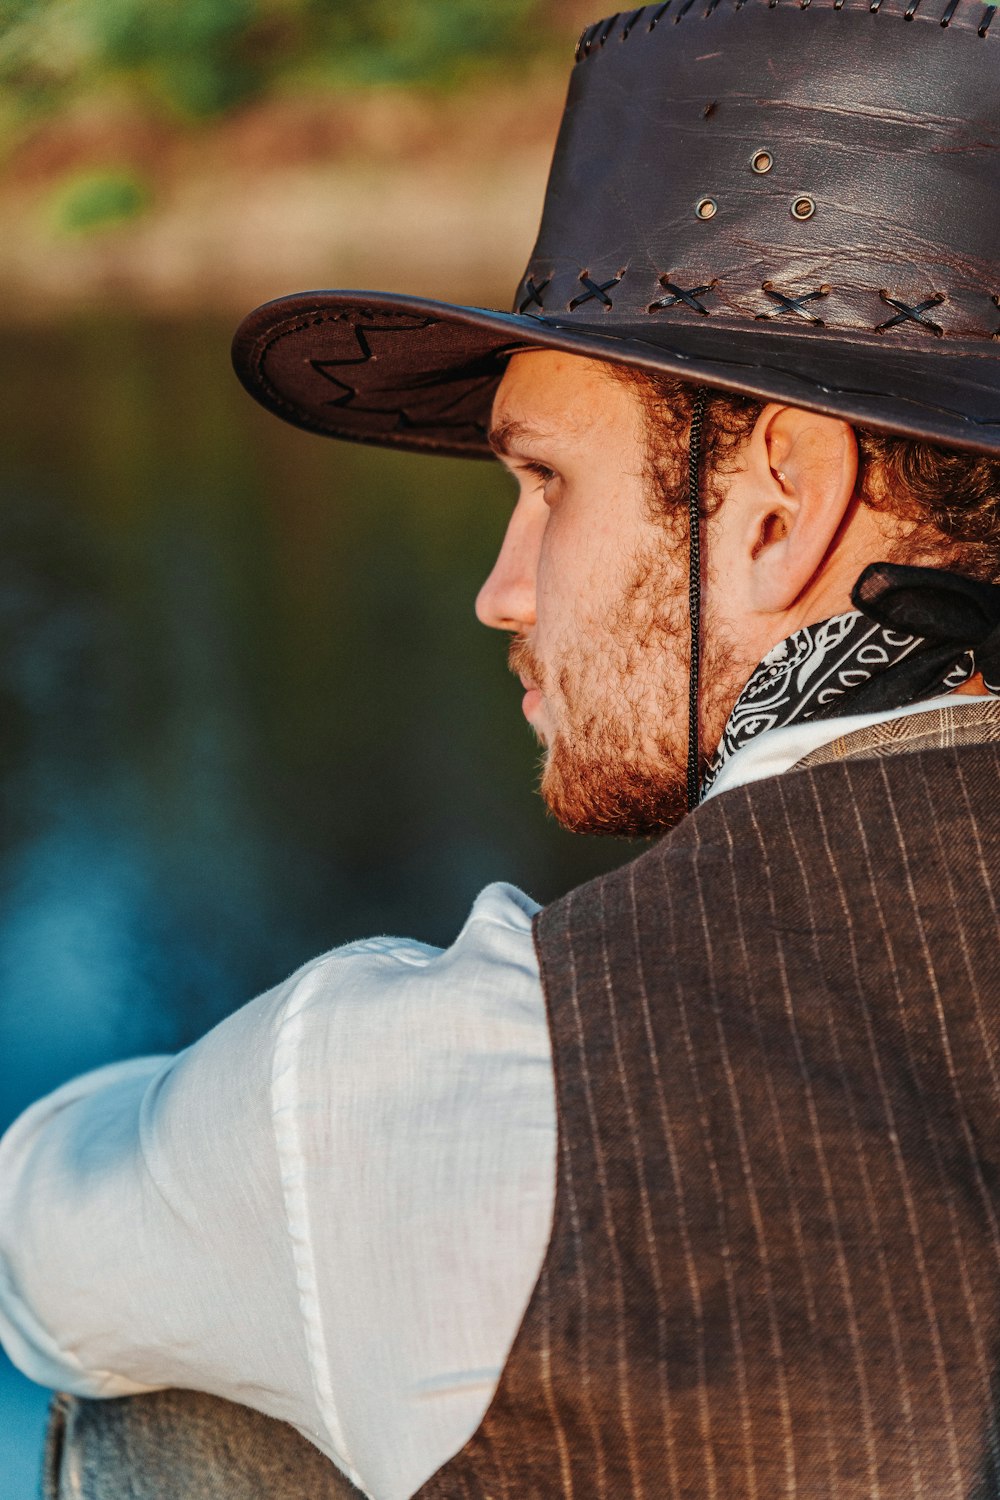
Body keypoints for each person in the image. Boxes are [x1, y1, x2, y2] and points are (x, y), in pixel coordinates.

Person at [4, 1, 1000, 1496]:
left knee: (187, 1417)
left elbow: (40, 1234)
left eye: (548, 484)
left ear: (777, 503)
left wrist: (266, 1150)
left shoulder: (450, 1079)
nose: (501, 590)